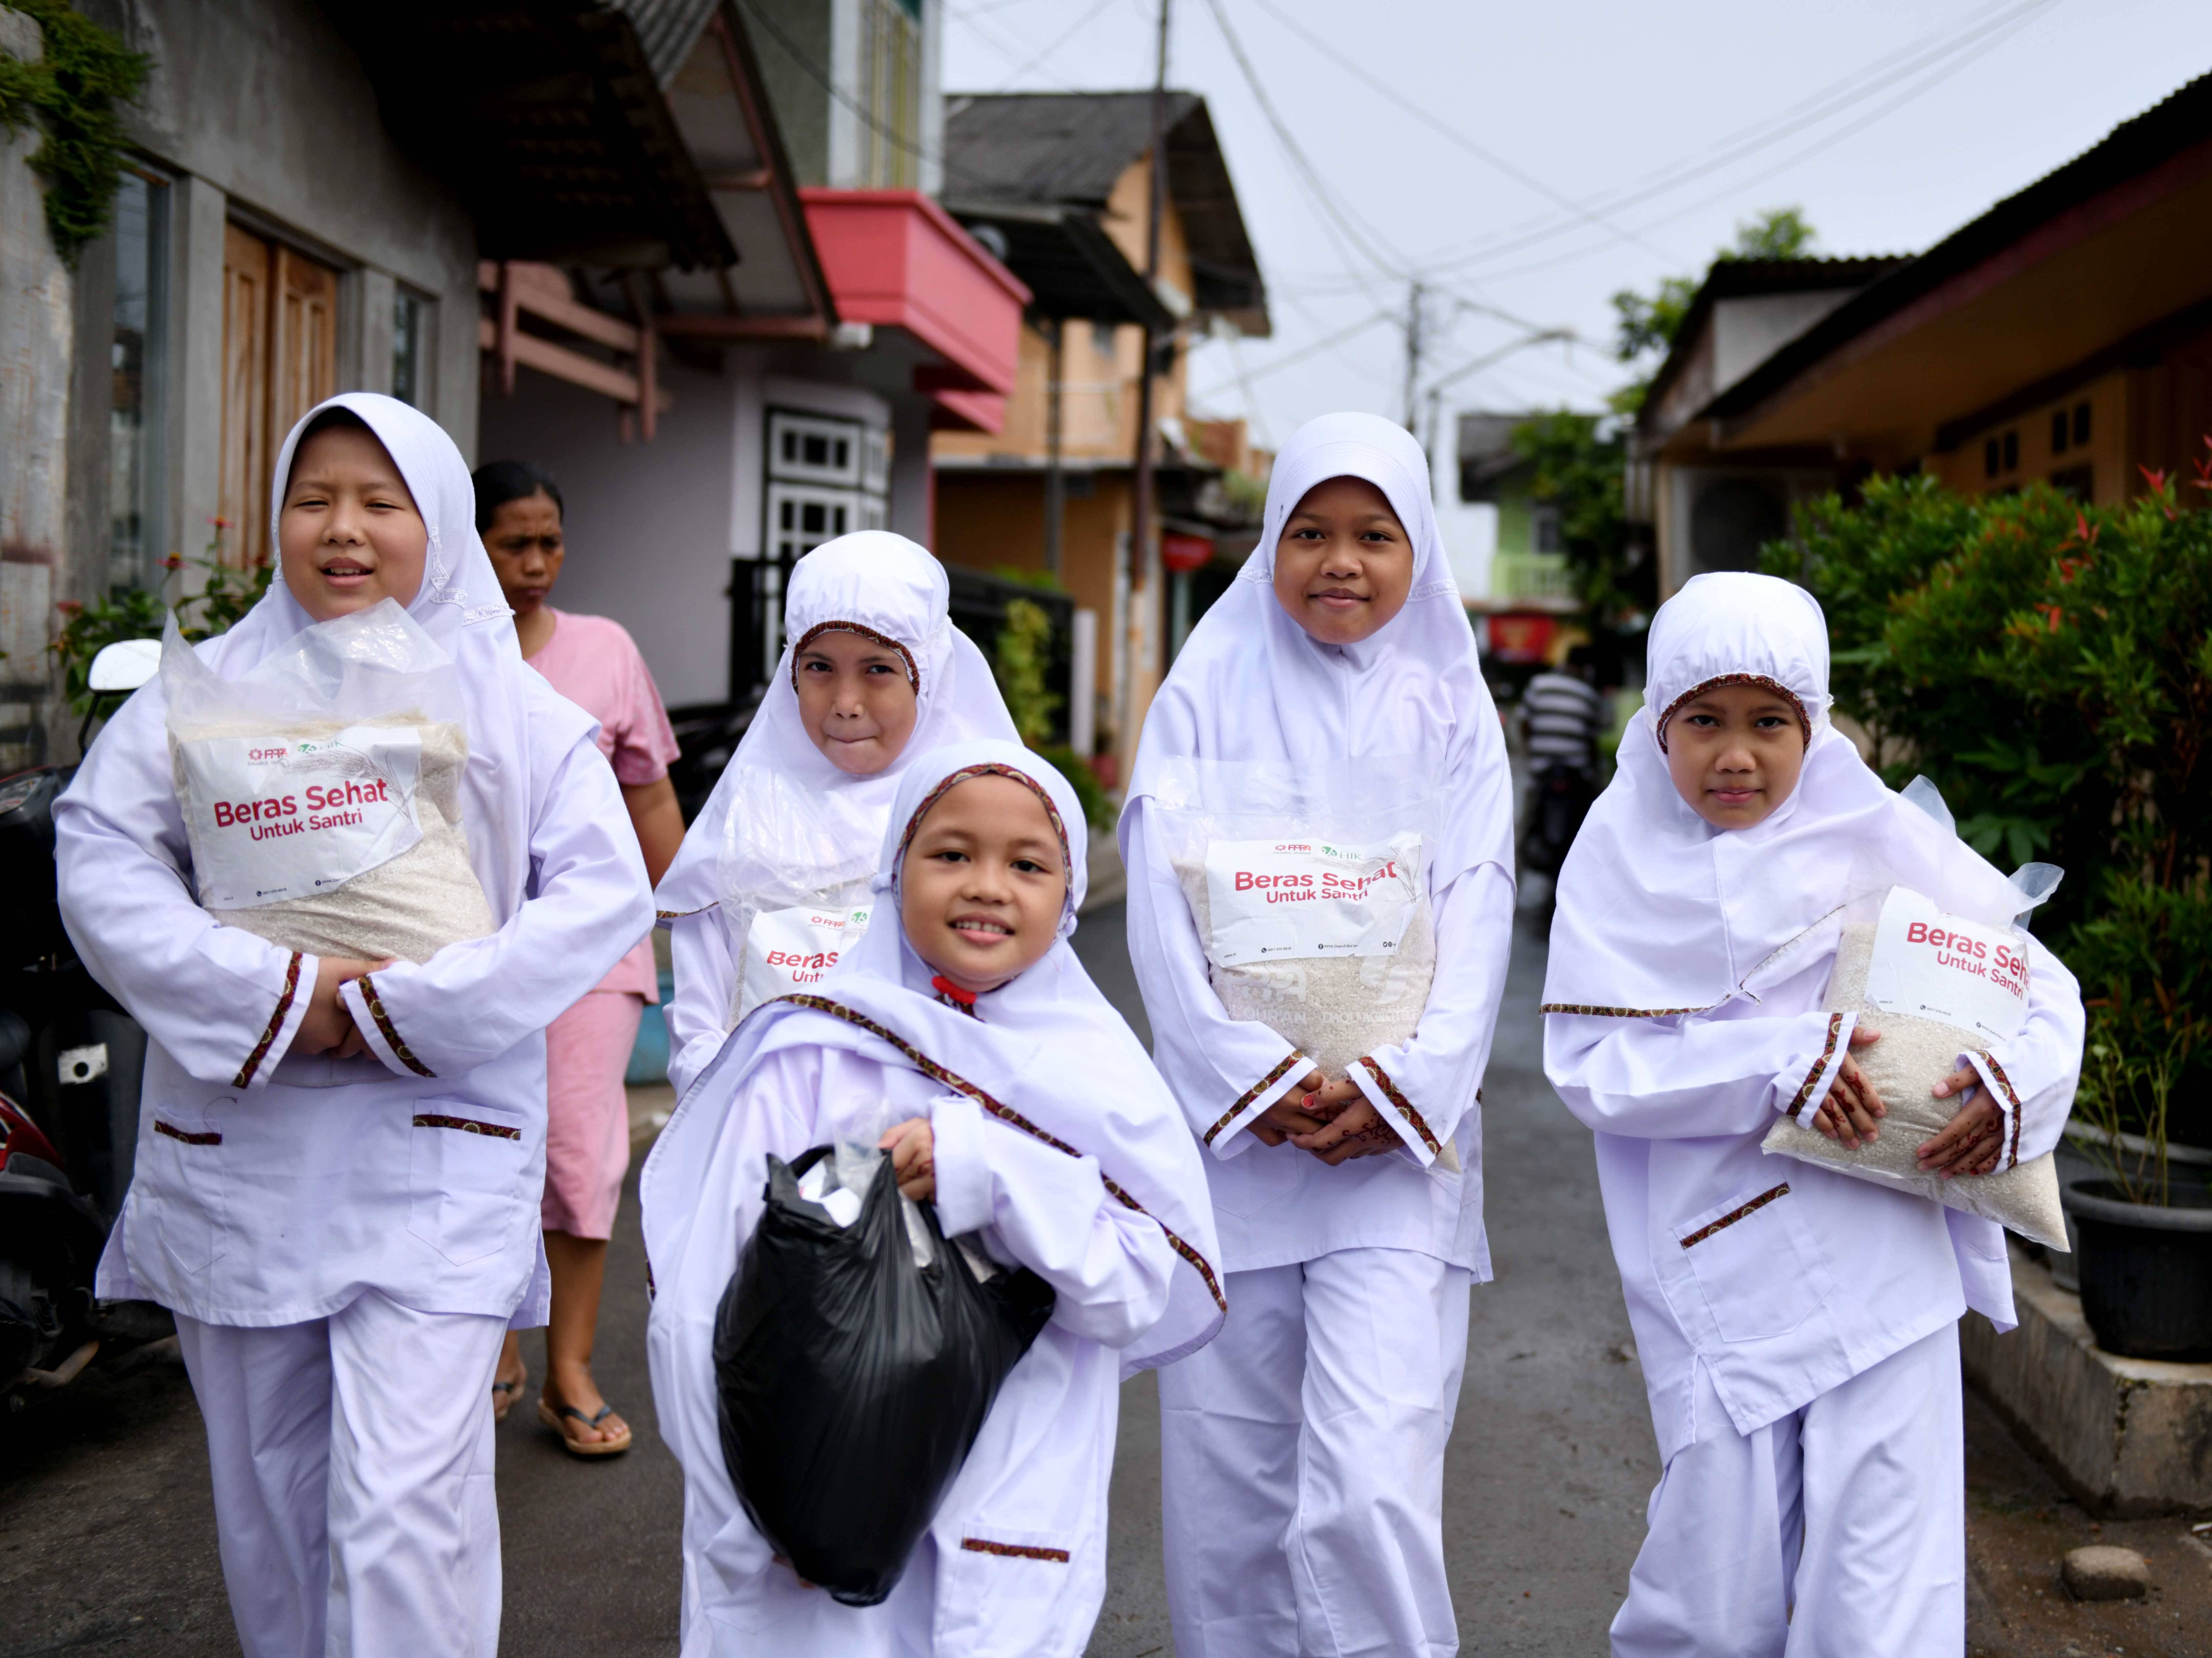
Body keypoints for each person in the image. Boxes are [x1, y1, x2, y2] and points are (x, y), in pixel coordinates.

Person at [55, 393, 653, 1657]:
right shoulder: (204, 693)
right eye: (314, 497)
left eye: (382, 503)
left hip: (434, 1145)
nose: (344, 529)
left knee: (402, 1504)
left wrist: (393, 1006)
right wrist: (281, 999)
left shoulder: (518, 714)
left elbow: (599, 890)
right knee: (270, 1495)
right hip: (247, 1149)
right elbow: (103, 855)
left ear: (436, 520)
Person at [1541, 572, 2085, 1657]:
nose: (1733, 754)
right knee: (1709, 1586)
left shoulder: (1874, 834)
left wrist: (2012, 1091)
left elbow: (2038, 982)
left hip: (1884, 1258)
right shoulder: (1614, 861)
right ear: (1657, 720)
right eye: (1701, 719)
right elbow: (1591, 1063)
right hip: (1716, 1274)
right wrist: (1773, 1062)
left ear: (1813, 722)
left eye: (1767, 722)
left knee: (1883, 1581)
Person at [642, 740, 1225, 1657]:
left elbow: (1129, 1292)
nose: (988, 886)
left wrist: (990, 1174)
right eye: (951, 854)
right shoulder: (811, 1050)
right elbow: (699, 1310)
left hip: (1005, 1538)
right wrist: (752, 1512)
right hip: (791, 1544)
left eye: (1028, 865)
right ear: (893, 871)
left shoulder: (1099, 1076)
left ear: (1068, 895)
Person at [1122, 412, 1516, 1657]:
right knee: (1227, 1483)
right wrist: (1259, 1080)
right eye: (1308, 532)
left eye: (1372, 534)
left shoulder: (1453, 705)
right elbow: (1153, 904)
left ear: (1419, 553)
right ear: (1269, 542)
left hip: (1394, 1160)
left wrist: (1403, 1087)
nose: (1338, 560)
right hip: (1240, 1159)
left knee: (1370, 1480)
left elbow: (1480, 899)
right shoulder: (1205, 687)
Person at [472, 458, 686, 1455]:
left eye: (549, 541)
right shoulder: (433, 656)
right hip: (463, 954)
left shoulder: (605, 651)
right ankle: (497, 1342)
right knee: (482, 1149)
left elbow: (647, 796)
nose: (535, 563)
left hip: (596, 949)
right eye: (512, 542)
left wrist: (698, 914)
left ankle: (569, 1369)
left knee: (580, 1154)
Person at [654, 532, 1017, 1099]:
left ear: (929, 670)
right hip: (759, 1135)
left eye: (878, 669)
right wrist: (740, 1100)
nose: (846, 701)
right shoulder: (749, 815)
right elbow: (701, 1007)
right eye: (819, 666)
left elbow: (1017, 1012)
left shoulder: (982, 818)